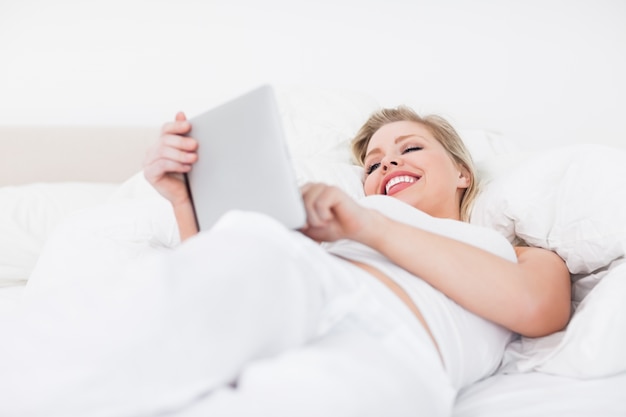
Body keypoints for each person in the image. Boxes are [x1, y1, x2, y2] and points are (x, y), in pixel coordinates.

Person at [140, 106, 572, 416]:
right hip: (284, 296)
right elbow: (212, 290)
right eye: (373, 163)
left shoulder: (516, 252)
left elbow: (539, 308)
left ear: (462, 172)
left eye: (413, 148)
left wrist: (369, 226)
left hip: (385, 349)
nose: (389, 163)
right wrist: (185, 201)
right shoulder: (341, 237)